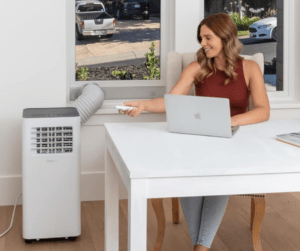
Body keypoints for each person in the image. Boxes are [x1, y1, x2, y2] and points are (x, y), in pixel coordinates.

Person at [118, 13, 270, 251]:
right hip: (201, 139)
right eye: (201, 38)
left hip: (233, 140)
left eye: (208, 37)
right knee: (188, 171)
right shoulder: (197, 67)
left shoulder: (250, 68)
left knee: (218, 173)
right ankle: (202, 247)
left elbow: (263, 111)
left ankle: (200, 246)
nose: (202, 43)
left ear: (225, 37)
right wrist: (144, 106)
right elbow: (171, 101)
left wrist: (230, 121)